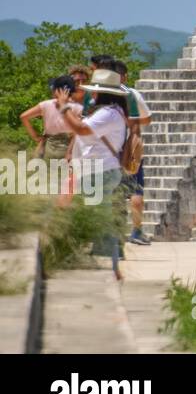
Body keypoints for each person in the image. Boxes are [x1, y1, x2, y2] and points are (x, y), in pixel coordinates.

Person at [57, 69, 130, 280]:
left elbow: (80, 129)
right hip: (100, 171)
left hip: (100, 172)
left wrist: (63, 108)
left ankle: (108, 269)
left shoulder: (107, 113)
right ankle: (111, 268)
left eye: (95, 91)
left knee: (100, 224)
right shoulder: (111, 111)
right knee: (100, 221)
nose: (92, 95)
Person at [110, 58, 153, 246]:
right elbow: (147, 118)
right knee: (136, 191)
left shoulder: (101, 95)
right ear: (125, 76)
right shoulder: (132, 95)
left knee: (114, 193)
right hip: (130, 149)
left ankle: (115, 232)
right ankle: (136, 231)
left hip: (109, 151)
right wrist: (133, 123)